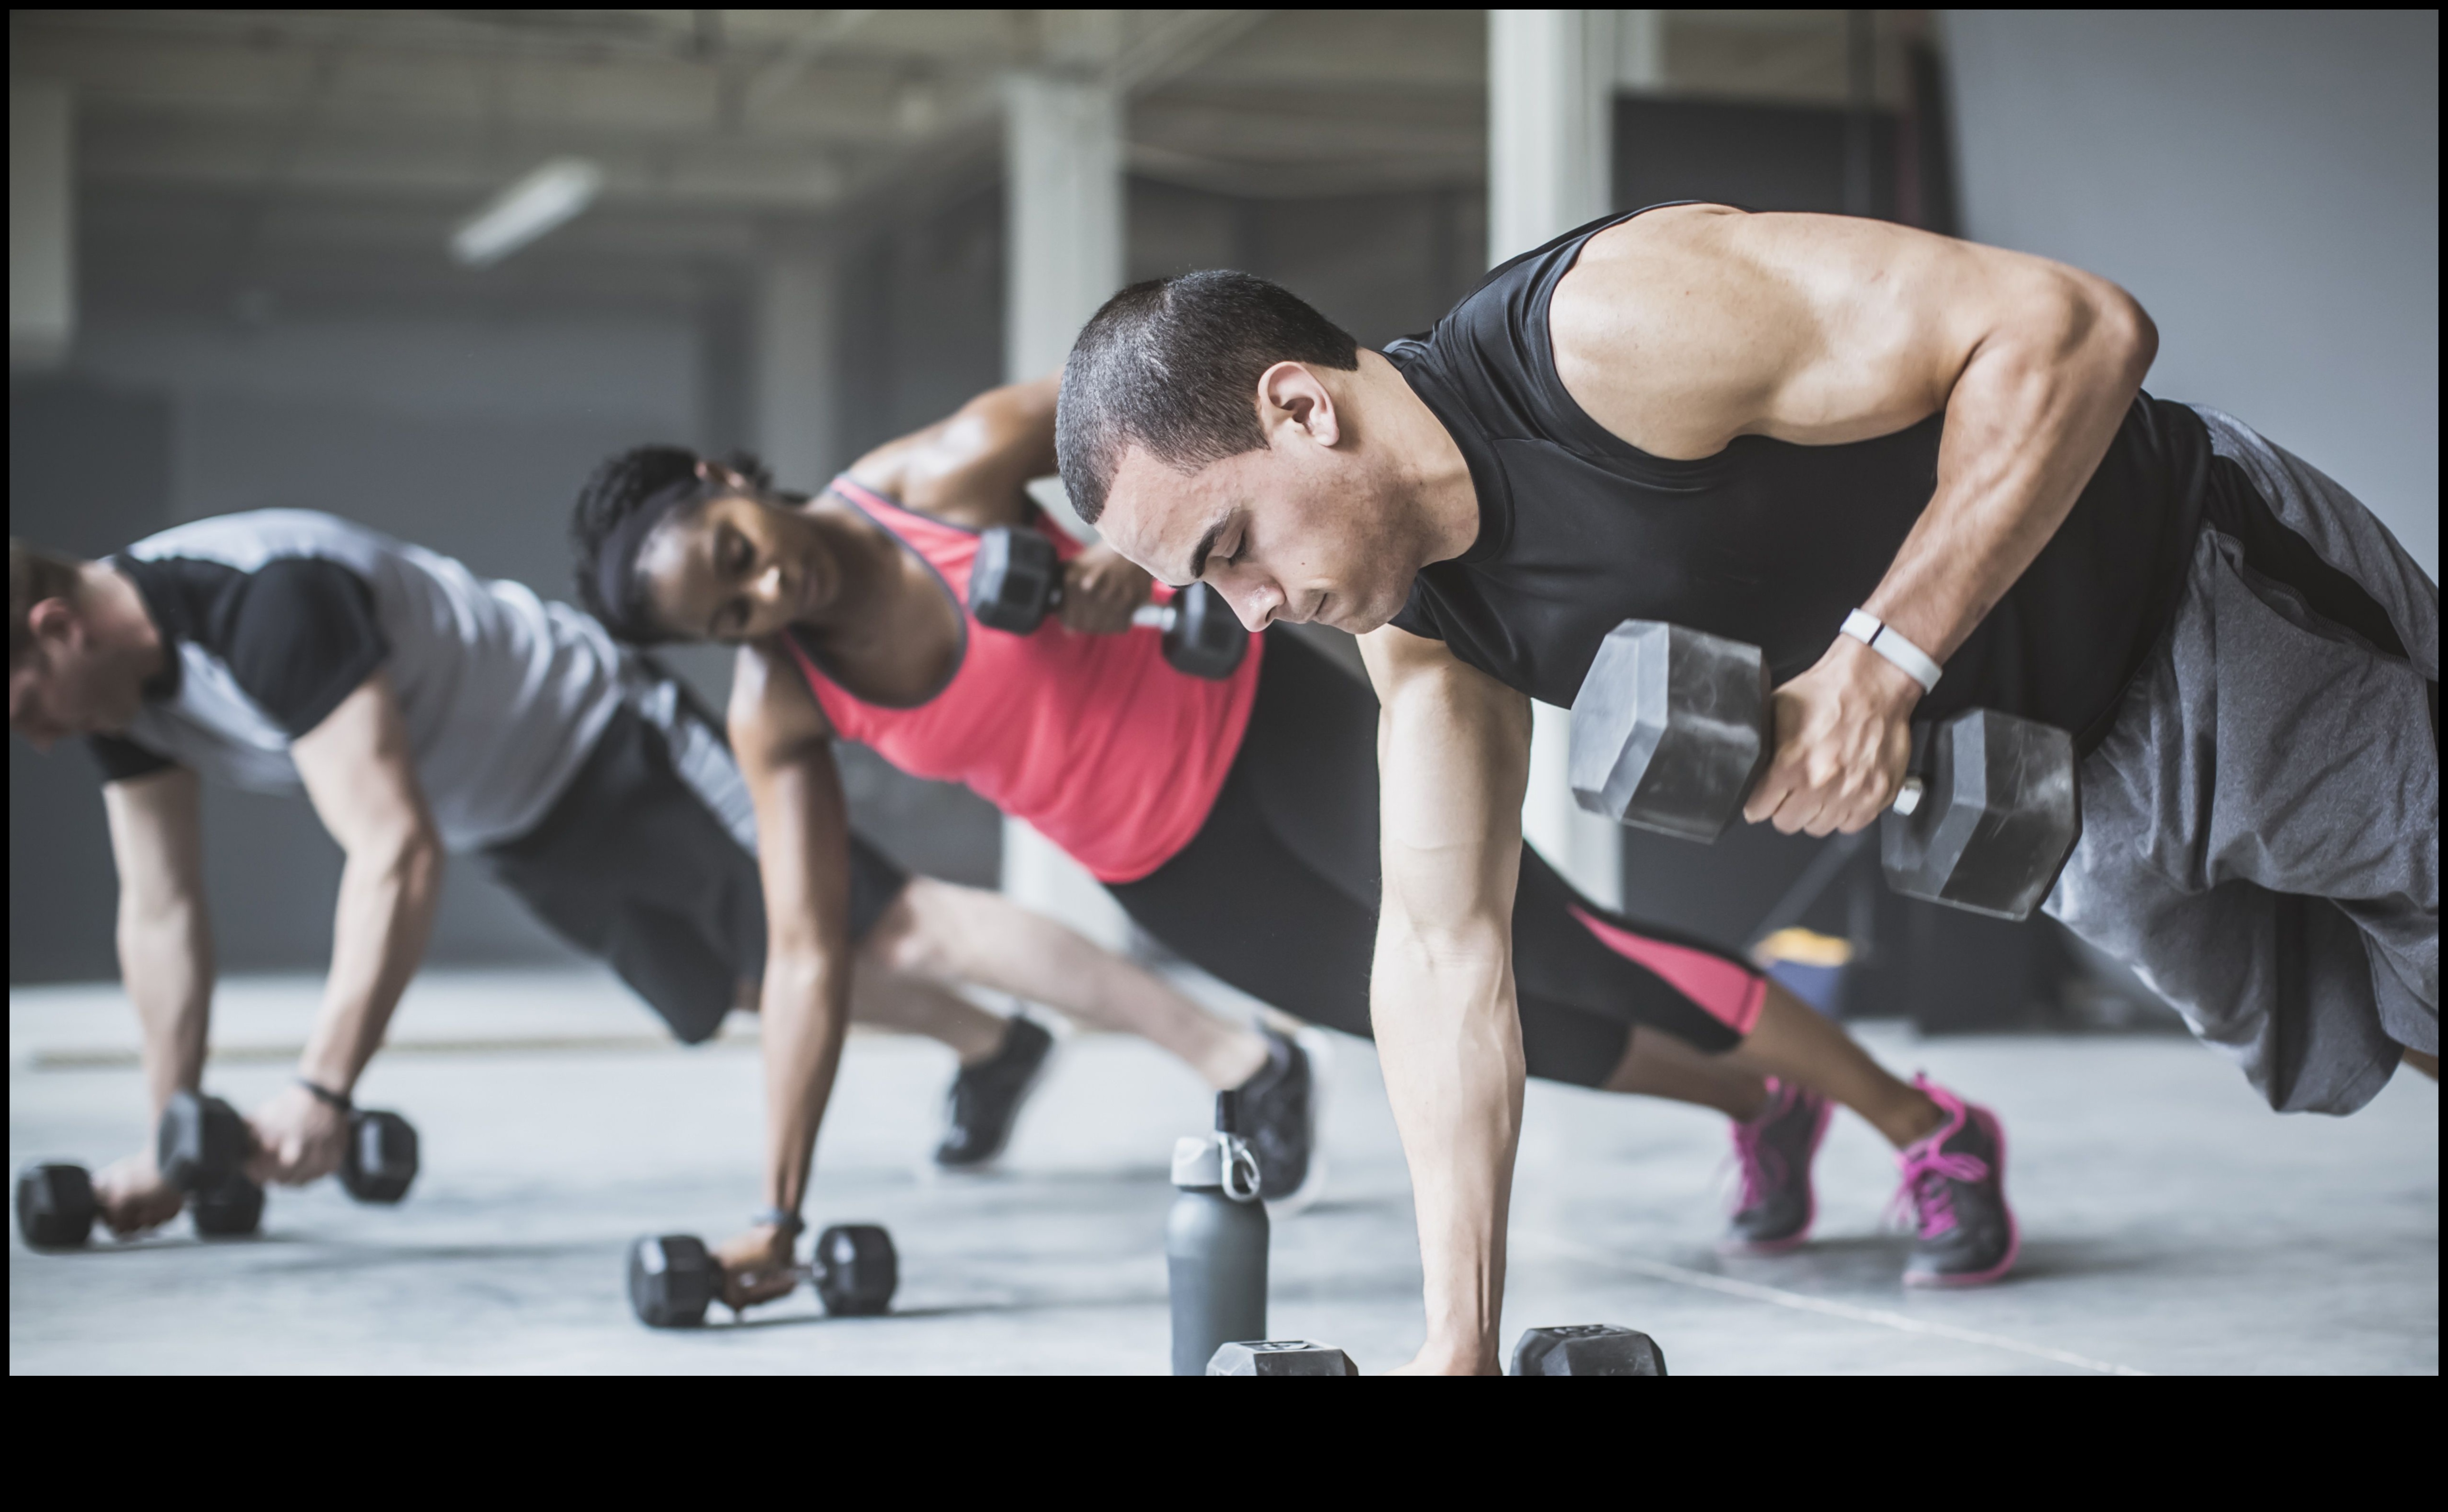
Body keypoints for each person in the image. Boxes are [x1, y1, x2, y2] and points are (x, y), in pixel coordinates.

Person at [1057, 203, 2440, 1372]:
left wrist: (1878, 662)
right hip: (2047, 786)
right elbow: (1438, 954)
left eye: (1230, 546)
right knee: (2340, 1042)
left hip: (2197, 595)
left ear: (1300, 407)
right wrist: (1456, 1343)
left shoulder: (1607, 334)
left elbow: (2073, 327)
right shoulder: (1424, 637)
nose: (1242, 614)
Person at [569, 375, 2010, 1316]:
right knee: (1476, 1035)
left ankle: (1925, 1129)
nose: (767, 588)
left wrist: (1109, 558)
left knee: (1549, 948)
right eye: (732, 614)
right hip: (1170, 869)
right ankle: (1758, 1107)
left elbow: (1152, 422)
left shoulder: (934, 479)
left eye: (736, 550)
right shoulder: (783, 709)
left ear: (726, 479)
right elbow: (813, 951)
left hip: (1267, 731)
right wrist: (776, 1209)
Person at [7, 514, 1285, 1273]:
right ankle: (994, 1045)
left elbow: (392, 853)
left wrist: (322, 1088)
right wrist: (175, 1131)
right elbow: (160, 913)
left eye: (23, 709)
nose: (42, 741)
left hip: (605, 740)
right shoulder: (128, 700)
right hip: (519, 816)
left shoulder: (262, 608)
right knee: (728, 984)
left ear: (56, 625)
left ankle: (1241, 1057)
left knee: (873, 922)